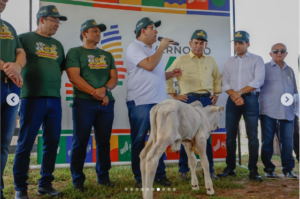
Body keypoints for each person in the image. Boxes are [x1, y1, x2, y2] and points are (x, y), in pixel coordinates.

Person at [13, 5, 67, 199]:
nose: (56, 25)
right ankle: (20, 187)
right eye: (54, 20)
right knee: (25, 143)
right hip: (32, 98)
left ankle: (45, 184)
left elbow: (60, 68)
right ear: (42, 19)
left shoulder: (58, 45)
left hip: (54, 100)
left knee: (52, 143)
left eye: (58, 22)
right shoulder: (25, 38)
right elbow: (16, 61)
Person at [125, 17, 181, 188]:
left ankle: (159, 175)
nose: (156, 31)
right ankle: (139, 177)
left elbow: (153, 74)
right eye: (153, 28)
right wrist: (162, 47)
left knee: (159, 140)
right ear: (143, 31)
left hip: (159, 103)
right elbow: (149, 66)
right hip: (141, 102)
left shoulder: (152, 51)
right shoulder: (134, 47)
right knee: (139, 140)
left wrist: (170, 74)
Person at [66, 19, 118, 192]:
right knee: (80, 141)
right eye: (94, 31)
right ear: (84, 34)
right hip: (84, 103)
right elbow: (74, 78)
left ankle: (103, 177)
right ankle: (78, 180)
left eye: (99, 31)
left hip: (105, 103)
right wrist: (96, 93)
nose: (98, 34)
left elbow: (114, 79)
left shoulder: (107, 55)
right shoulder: (75, 52)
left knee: (103, 141)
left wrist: (104, 90)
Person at [166, 29, 221, 180]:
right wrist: (174, 95)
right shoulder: (181, 60)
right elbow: (168, 76)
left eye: (201, 43)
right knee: (186, 136)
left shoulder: (211, 61)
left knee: (206, 137)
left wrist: (215, 94)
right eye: (195, 43)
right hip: (188, 101)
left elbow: (217, 78)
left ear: (206, 45)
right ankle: (184, 170)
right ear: (190, 43)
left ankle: (208, 170)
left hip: (206, 100)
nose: (198, 46)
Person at [217, 31, 264, 182]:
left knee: (252, 137)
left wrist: (239, 93)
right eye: (235, 43)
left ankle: (253, 170)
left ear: (247, 44)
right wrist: (235, 96)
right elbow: (224, 82)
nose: (237, 46)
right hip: (233, 101)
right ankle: (230, 168)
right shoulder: (228, 61)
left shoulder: (257, 59)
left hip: (250, 100)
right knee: (230, 136)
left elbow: (258, 81)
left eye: (241, 43)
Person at [259, 43, 298, 179]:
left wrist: (296, 110)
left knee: (288, 141)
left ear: (286, 54)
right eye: (276, 51)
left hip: (287, 112)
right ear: (271, 54)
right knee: (267, 141)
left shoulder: (290, 70)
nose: (279, 53)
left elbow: (294, 91)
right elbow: (257, 88)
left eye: (282, 51)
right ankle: (269, 169)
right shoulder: (264, 68)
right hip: (268, 111)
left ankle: (288, 169)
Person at [1, 0, 26, 198]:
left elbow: (20, 51)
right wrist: (6, 67)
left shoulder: (8, 26)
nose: (4, 1)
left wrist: (17, 66)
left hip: (11, 88)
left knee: (3, 143)